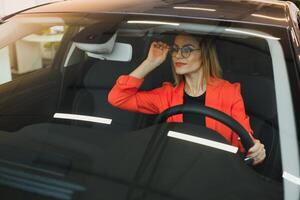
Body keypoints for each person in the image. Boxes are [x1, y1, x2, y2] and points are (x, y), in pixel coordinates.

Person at [108, 34, 266, 165]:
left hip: (217, 169)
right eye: (175, 50)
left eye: (187, 49)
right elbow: (118, 98)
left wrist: (256, 151)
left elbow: (245, 139)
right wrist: (150, 63)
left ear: (204, 54)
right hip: (175, 168)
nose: (178, 55)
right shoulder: (166, 94)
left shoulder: (229, 92)